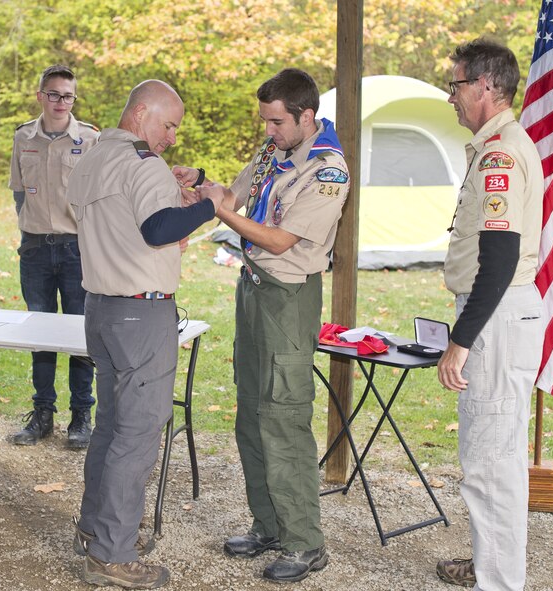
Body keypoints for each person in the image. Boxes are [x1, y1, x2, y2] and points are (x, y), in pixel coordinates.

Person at [175, 68, 349, 584]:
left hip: (289, 299)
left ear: (305, 116)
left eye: (276, 122)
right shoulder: (275, 151)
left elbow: (277, 240)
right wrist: (202, 187)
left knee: (284, 418)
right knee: (250, 412)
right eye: (266, 121)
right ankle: (268, 525)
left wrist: (220, 214)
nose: (268, 131)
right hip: (253, 292)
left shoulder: (327, 169)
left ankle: (304, 542)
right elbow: (234, 198)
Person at [67, 80, 224, 589]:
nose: (173, 138)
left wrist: (176, 197)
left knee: (111, 425)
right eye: (169, 124)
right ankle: (112, 553)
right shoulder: (144, 165)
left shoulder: (91, 156)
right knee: (137, 434)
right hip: (141, 313)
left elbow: (116, 222)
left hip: (100, 309)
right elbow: (157, 231)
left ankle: (95, 529)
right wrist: (210, 205)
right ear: (140, 114)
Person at [435, 38, 546, 590]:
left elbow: (499, 260)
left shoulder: (501, 151)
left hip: (498, 318)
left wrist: (462, 339)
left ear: (484, 86)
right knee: (491, 453)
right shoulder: (493, 145)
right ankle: (489, 567)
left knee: (491, 465)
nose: (450, 96)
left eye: (455, 85)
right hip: (500, 315)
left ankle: (499, 583)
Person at [8, 65, 100, 448]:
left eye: (68, 96)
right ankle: (42, 413)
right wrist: (32, 230)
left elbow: (99, 199)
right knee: (41, 333)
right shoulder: (23, 137)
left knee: (81, 334)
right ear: (40, 95)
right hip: (35, 249)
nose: (61, 102)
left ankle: (81, 415)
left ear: (74, 99)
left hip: (76, 249)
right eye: (54, 94)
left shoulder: (91, 139)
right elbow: (18, 192)